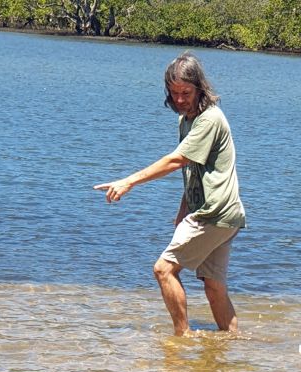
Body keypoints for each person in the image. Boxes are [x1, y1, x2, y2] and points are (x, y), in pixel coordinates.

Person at [94, 53, 246, 337]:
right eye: (174, 93)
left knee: (163, 270)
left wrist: (129, 181)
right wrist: (182, 212)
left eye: (186, 93)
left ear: (200, 88)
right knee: (213, 285)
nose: (179, 100)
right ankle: (233, 343)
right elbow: (192, 170)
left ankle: (182, 338)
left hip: (214, 213)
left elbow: (177, 160)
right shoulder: (185, 119)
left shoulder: (210, 118)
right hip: (226, 214)